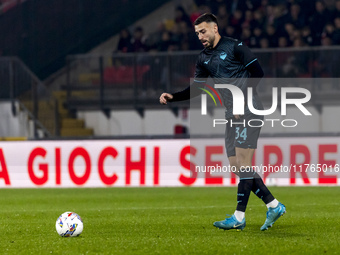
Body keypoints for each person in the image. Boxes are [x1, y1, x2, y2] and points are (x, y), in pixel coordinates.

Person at [159, 13, 285, 231]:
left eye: (203, 31)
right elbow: (197, 88)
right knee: (237, 166)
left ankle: (238, 217)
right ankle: (273, 205)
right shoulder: (203, 58)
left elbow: (258, 72)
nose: (200, 36)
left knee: (244, 163)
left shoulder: (235, 47)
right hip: (231, 115)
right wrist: (174, 96)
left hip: (248, 111)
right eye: (197, 33)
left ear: (215, 28)